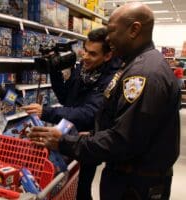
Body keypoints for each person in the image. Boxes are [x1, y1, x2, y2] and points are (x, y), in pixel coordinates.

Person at [28, 2, 180, 200]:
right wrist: (93, 133)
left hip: (135, 184)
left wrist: (64, 142)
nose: (108, 38)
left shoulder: (143, 74)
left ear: (134, 29)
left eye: (112, 31)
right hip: (128, 178)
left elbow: (122, 141)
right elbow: (126, 124)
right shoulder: (136, 65)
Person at [22, 28, 121, 199]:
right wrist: (54, 68)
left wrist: (46, 112)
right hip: (66, 131)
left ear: (107, 56)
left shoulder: (112, 79)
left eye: (92, 54)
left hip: (88, 140)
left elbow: (89, 113)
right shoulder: (83, 68)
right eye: (85, 50)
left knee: (81, 188)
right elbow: (65, 97)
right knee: (63, 183)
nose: (85, 57)